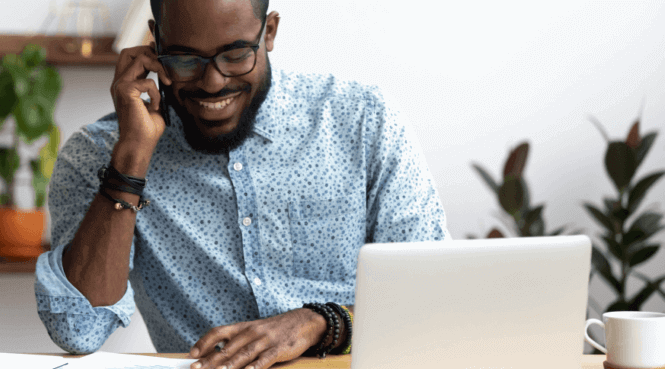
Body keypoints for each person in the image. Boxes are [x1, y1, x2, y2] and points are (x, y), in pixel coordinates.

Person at [35, 0, 451, 367]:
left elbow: (435, 298)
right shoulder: (99, 154)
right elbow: (79, 330)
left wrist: (318, 322)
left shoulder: (363, 122)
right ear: (155, 44)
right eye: (184, 58)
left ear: (269, 32)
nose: (212, 82)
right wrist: (130, 161)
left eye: (235, 55)